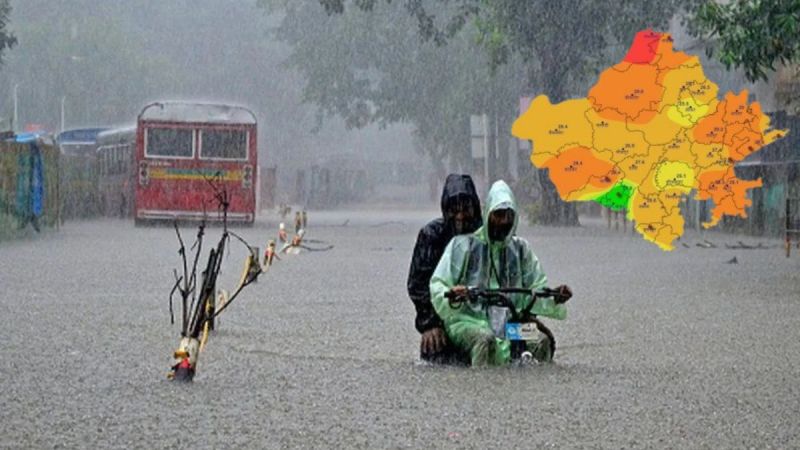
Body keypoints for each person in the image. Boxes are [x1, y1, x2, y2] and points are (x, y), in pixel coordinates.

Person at [430, 180, 572, 366]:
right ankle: (481, 383)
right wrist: (452, 295)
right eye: (498, 215)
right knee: (485, 340)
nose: (504, 221)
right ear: (488, 213)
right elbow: (438, 284)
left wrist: (555, 297)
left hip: (511, 326)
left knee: (541, 340)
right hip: (469, 321)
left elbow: (536, 288)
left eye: (508, 215)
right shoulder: (463, 245)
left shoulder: (521, 249)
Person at [408, 174, 482, 363]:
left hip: (485, 315)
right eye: (453, 210)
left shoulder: (487, 234)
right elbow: (418, 285)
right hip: (443, 317)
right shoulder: (432, 235)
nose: (460, 216)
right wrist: (430, 323)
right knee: (436, 347)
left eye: (466, 209)